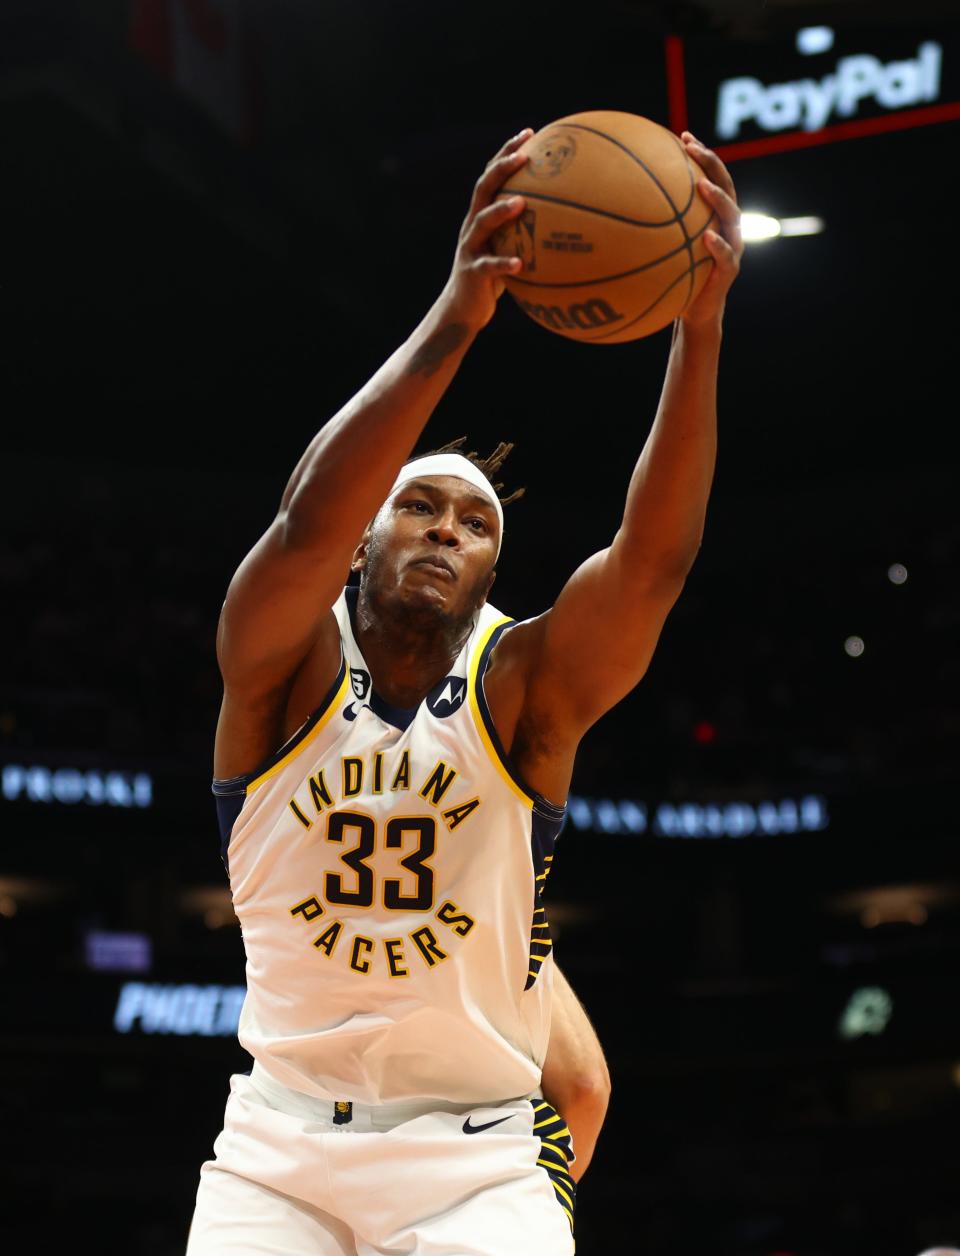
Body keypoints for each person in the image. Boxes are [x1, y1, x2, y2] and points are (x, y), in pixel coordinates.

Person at [187, 124, 742, 1254]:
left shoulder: (525, 683)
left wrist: (700, 325)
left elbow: (652, 563)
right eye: (419, 506)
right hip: (277, 1149)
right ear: (362, 542)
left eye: (476, 522)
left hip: (472, 1160)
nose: (447, 526)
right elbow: (304, 517)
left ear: (496, 568)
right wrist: (459, 313)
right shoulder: (280, 661)